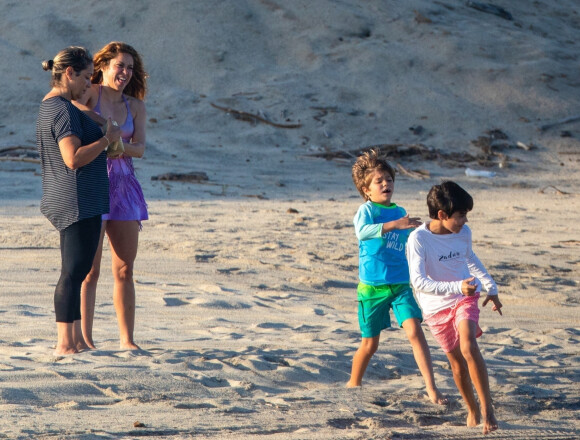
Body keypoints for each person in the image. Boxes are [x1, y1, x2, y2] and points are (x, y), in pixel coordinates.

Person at [37, 46, 121, 355]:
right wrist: (106, 141)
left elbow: (83, 114)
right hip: (76, 199)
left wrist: (102, 126)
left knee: (78, 270)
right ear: (69, 73)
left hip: (70, 196)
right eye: (86, 77)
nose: (90, 84)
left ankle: (72, 340)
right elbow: (72, 158)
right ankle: (64, 343)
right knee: (72, 272)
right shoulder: (62, 110)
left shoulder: (56, 105)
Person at [346, 149, 446, 406]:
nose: (385, 184)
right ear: (366, 190)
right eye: (378, 181)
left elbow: (411, 241)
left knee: (415, 331)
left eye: (388, 179)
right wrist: (395, 225)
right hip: (372, 289)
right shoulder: (366, 211)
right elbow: (362, 232)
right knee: (370, 344)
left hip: (401, 285)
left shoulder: (400, 211)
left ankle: (432, 389)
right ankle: (353, 384)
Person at [406, 181, 503, 435]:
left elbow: (468, 257)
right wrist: (456, 287)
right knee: (457, 363)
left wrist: (490, 286)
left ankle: (487, 409)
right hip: (436, 307)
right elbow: (418, 282)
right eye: (460, 215)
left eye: (465, 215)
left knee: (469, 345)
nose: (464, 221)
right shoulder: (418, 240)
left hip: (465, 298)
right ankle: (472, 409)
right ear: (441, 215)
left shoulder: (463, 232)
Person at [74, 42, 148, 350]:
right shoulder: (92, 93)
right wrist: (105, 126)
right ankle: (86, 339)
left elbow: (140, 148)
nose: (125, 73)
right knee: (90, 270)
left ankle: (127, 340)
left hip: (124, 186)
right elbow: (68, 104)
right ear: (103, 66)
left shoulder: (136, 105)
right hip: (93, 180)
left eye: (130, 67)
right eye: (120, 65)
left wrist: (117, 144)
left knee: (125, 268)